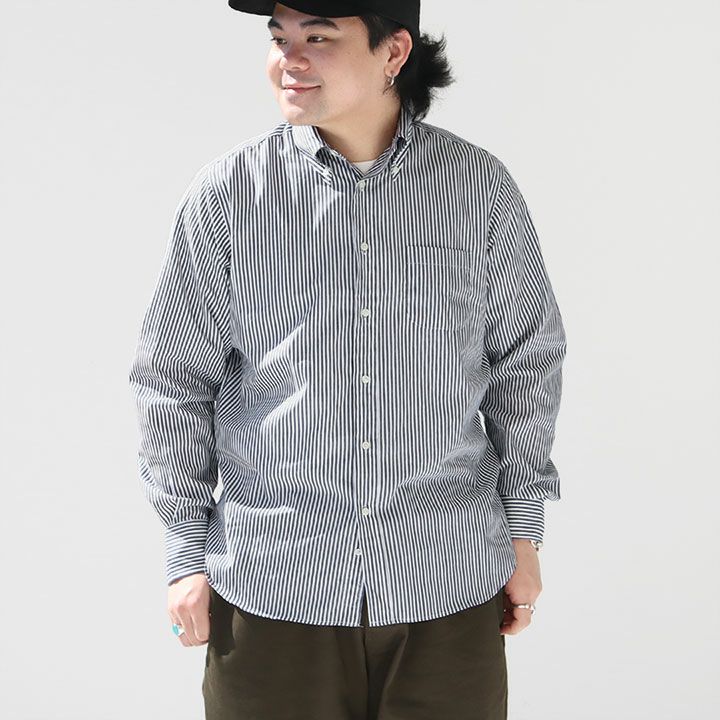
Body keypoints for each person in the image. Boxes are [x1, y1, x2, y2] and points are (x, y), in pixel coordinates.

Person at [128, 1, 567, 718]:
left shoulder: (477, 189)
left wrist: (523, 530)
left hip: (448, 585)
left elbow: (525, 362)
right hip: (272, 591)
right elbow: (172, 379)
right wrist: (185, 550)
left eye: (320, 38)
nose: (290, 60)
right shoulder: (229, 195)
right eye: (280, 38)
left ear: (393, 53)